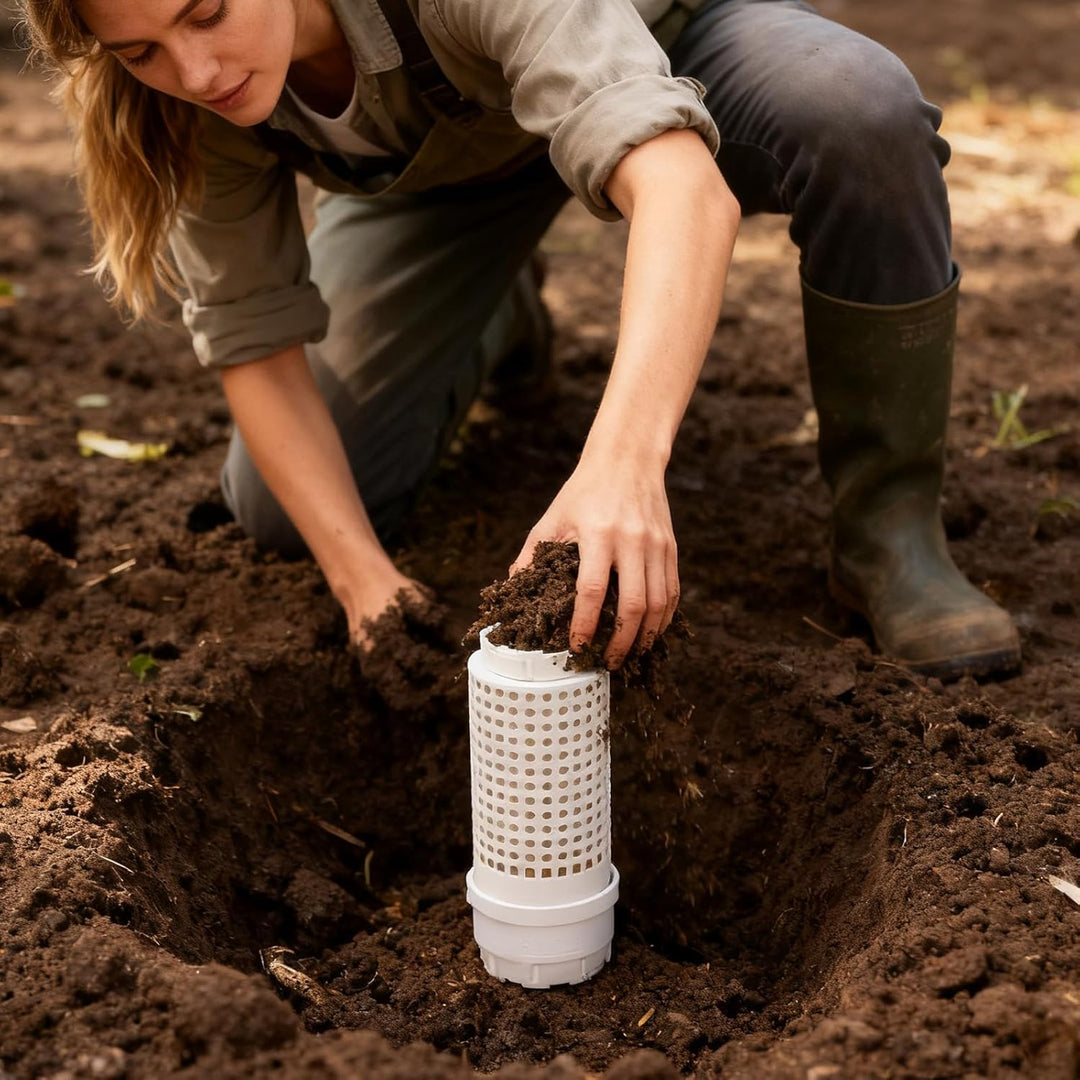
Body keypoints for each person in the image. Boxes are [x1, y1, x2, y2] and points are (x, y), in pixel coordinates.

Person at [21, 0, 1021, 680]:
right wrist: (361, 581)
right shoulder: (185, 99)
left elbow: (681, 186)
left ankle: (892, 536)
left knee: (856, 109)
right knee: (284, 512)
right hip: (453, 182)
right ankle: (496, 316)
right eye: (142, 48)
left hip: (664, 52)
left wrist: (623, 469)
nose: (193, 69)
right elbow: (254, 345)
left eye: (208, 10)